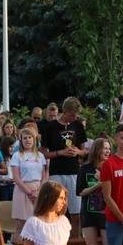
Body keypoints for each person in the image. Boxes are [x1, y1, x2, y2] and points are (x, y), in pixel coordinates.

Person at [41, 96, 88, 237]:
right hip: (56, 174)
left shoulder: (78, 125)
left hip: (74, 173)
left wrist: (77, 152)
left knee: (76, 215)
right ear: (65, 111)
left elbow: (84, 151)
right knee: (54, 212)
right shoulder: (50, 127)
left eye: (76, 115)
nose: (74, 118)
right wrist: (60, 152)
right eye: (72, 115)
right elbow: (43, 152)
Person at [77, 137, 111, 245]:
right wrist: (98, 184)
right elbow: (81, 192)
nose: (107, 151)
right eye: (104, 148)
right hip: (89, 213)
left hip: (107, 214)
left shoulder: (111, 166)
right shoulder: (85, 169)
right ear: (97, 149)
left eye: (109, 149)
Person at [10, 127, 48, 245]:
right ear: (21, 140)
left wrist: (39, 191)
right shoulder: (17, 156)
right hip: (23, 191)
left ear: (34, 139)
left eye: (30, 137)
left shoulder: (40, 155)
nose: (27, 140)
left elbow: (44, 176)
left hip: (38, 190)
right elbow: (16, 177)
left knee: (38, 224)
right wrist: (30, 192)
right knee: (21, 225)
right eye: (25, 138)